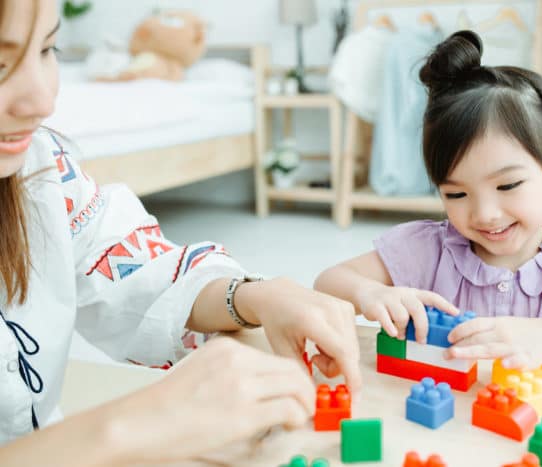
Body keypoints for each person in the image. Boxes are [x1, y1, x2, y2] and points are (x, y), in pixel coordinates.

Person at [0, 0, 360, 464]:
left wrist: (254, 297)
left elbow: (133, 268)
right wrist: (122, 429)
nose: (43, 102)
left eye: (48, 49)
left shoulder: (42, 170)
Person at [315, 30, 542, 370]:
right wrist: (369, 294)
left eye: (508, 185)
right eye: (456, 193)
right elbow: (330, 281)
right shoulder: (427, 249)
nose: (485, 214)